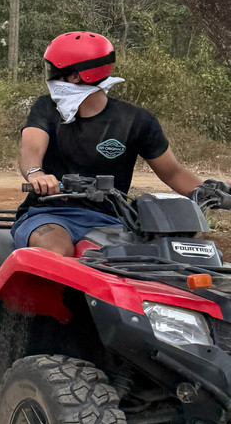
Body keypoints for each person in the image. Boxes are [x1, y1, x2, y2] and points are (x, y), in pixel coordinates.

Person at [14, 31, 209, 257]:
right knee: (56, 249)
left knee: (151, 260)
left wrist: (212, 193)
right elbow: (31, 149)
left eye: (54, 73)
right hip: (47, 213)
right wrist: (36, 174)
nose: (51, 80)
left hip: (112, 219)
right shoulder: (46, 108)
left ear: (75, 77)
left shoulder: (135, 121)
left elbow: (174, 173)